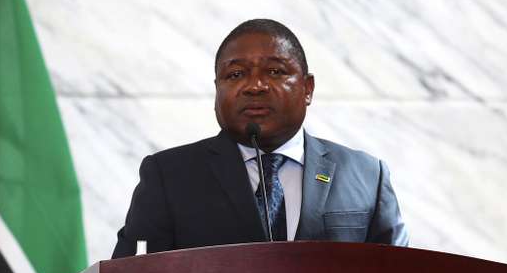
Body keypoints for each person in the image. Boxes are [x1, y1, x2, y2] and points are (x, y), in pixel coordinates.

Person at [112, 19, 408, 258]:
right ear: (217, 90)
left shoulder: (367, 175)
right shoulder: (169, 176)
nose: (254, 85)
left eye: (276, 71)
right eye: (236, 74)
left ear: (308, 88)